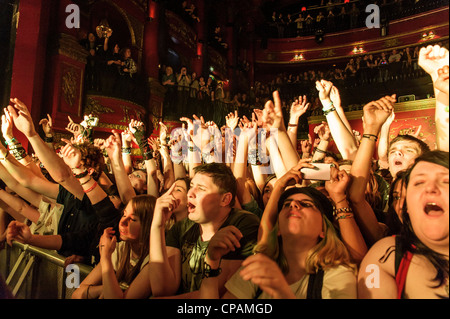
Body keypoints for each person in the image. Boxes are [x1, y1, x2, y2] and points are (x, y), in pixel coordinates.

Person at [200, 162, 357, 299]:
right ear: (279, 229)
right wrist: (211, 262)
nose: (294, 205)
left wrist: (282, 292)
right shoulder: (259, 268)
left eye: (307, 204)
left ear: (323, 229)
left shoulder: (337, 274)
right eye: (287, 204)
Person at [147, 163, 260, 298]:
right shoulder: (182, 227)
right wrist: (157, 226)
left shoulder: (243, 224)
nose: (190, 193)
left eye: (200, 188)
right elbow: (162, 289)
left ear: (225, 199)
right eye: (191, 186)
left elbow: (219, 291)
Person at [358, 150, 449, 299]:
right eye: (419, 182)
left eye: (446, 181)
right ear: (407, 207)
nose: (430, 188)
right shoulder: (387, 256)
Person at [71, 195, 156, 299]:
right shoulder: (121, 249)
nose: (122, 222)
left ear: (149, 225)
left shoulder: (154, 260)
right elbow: (76, 295)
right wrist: (103, 289)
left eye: (133, 219)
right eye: (124, 215)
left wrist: (105, 257)